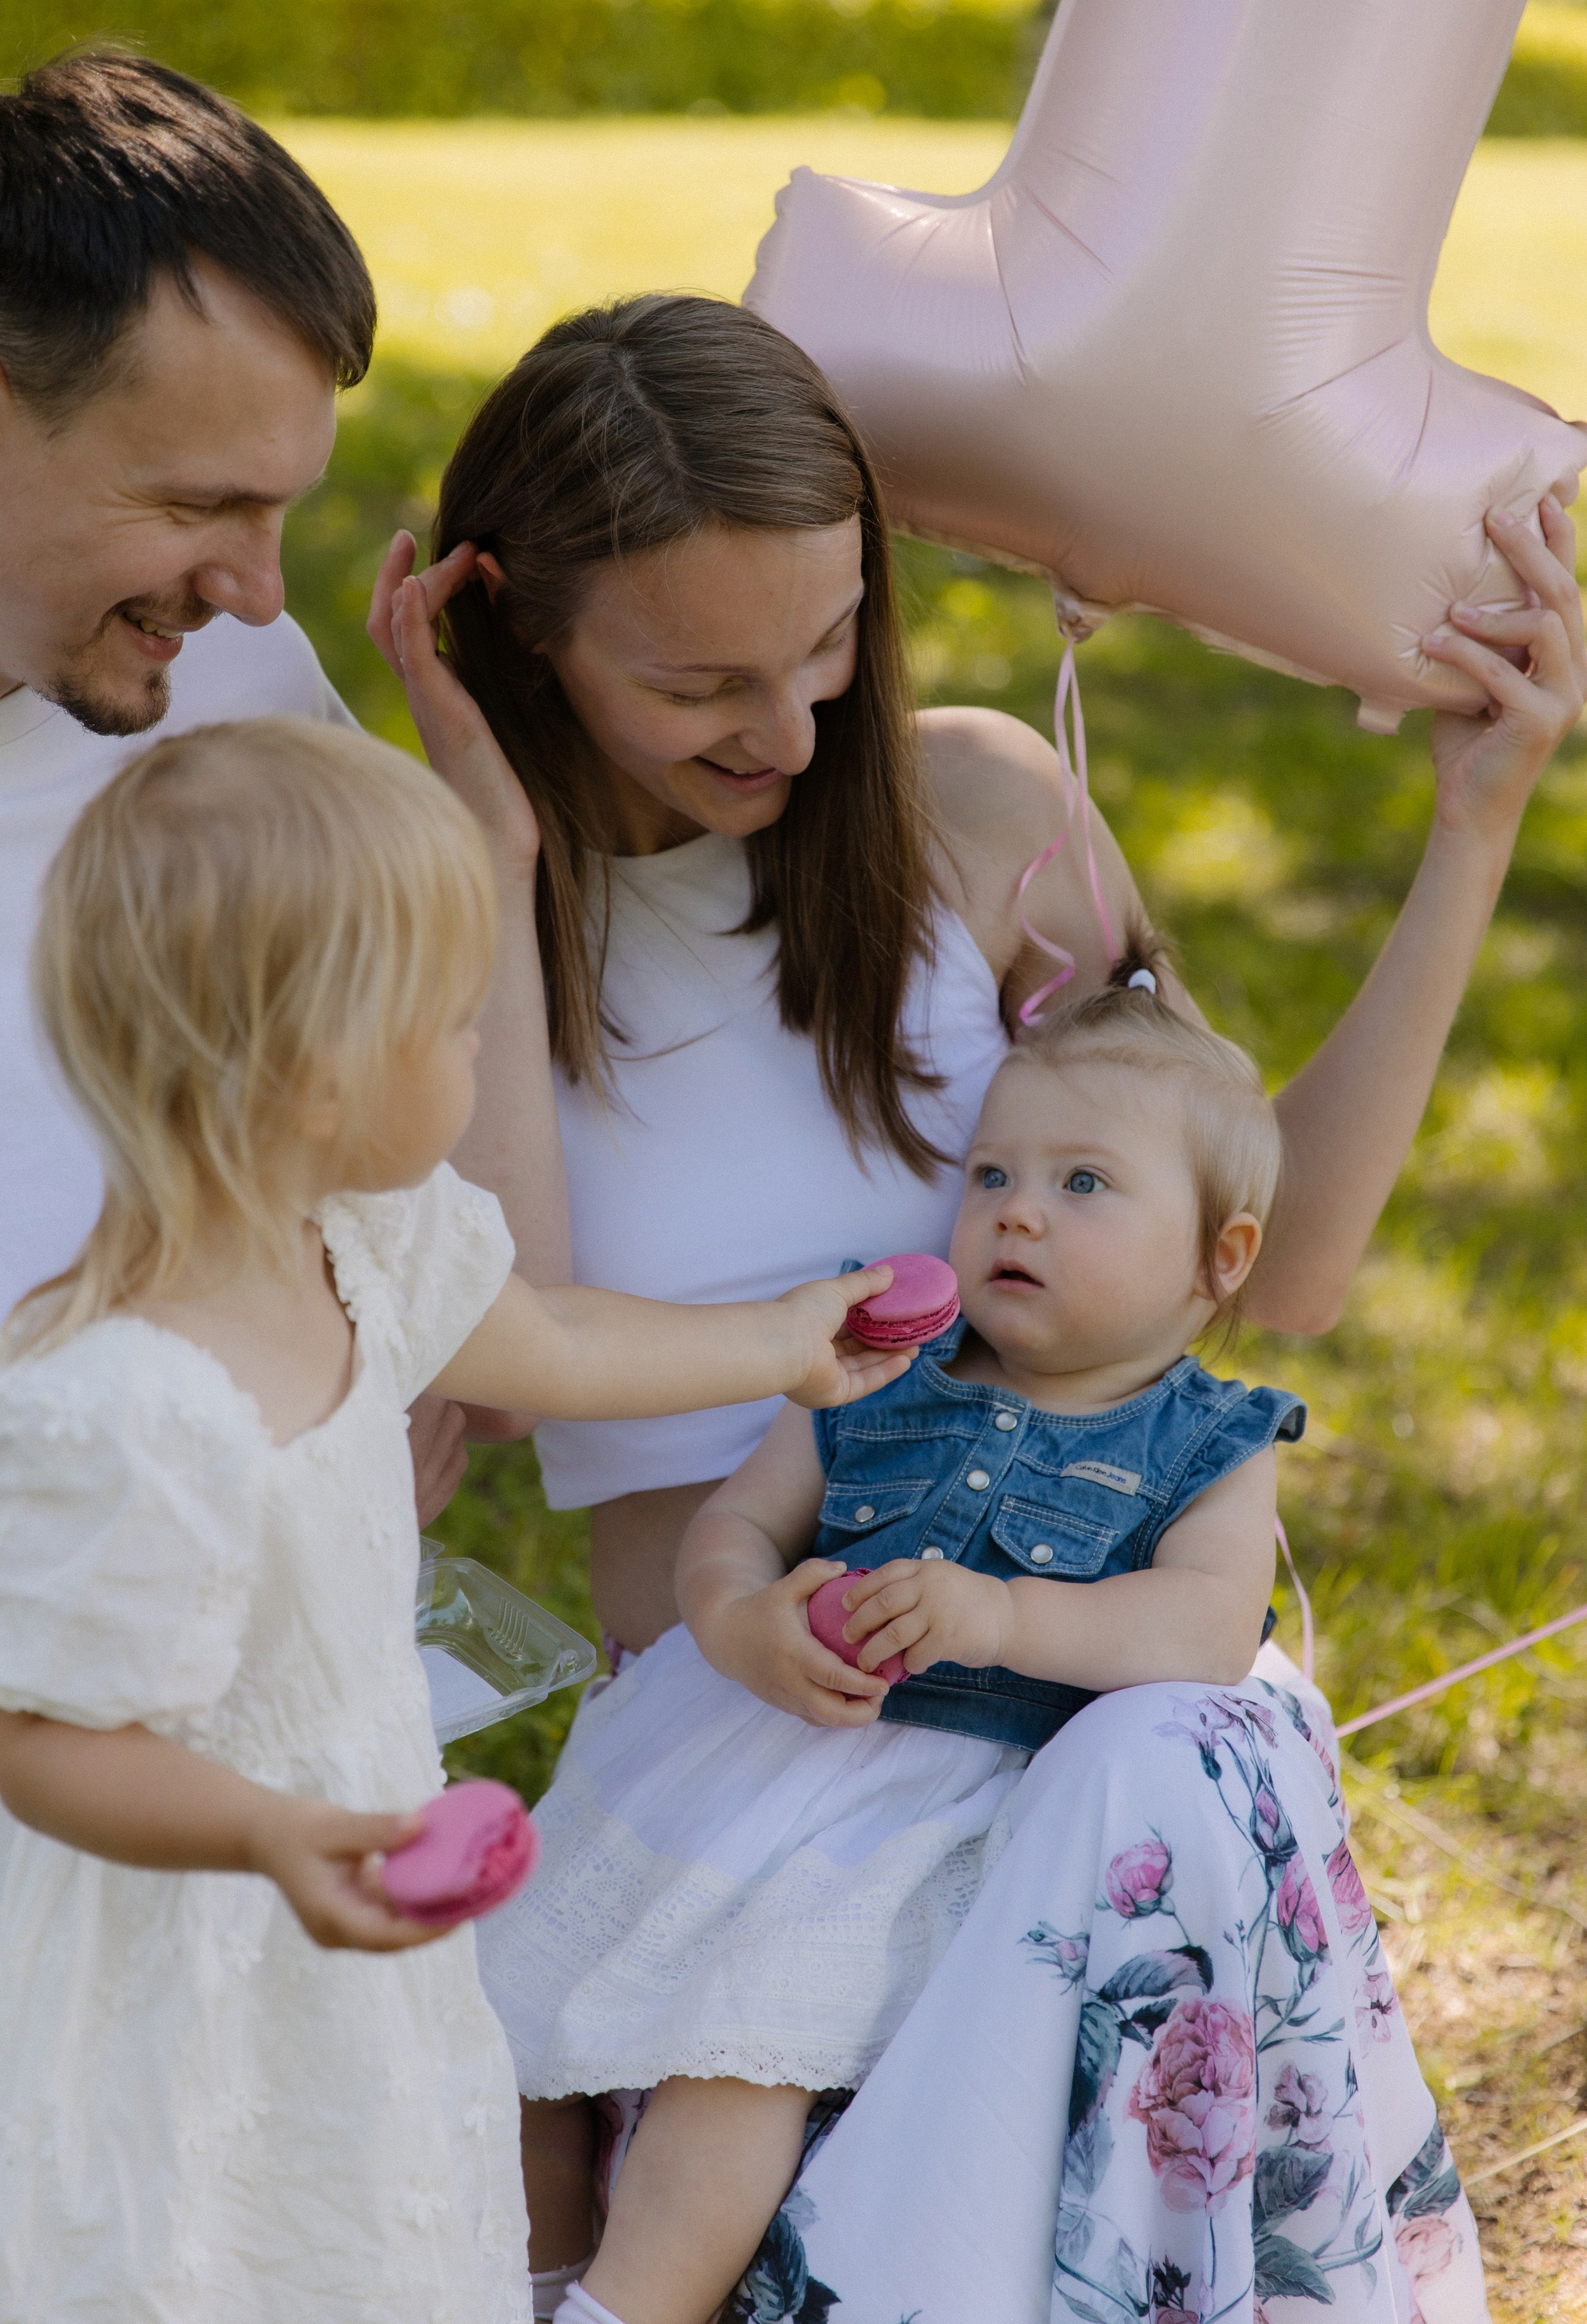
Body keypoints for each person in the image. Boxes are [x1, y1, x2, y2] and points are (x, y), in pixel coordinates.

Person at [371, 293, 1584, 2317]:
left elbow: (1269, 1257)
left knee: (1148, 1789)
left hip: (1085, 1730)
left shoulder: (978, 817)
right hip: (753, 1770)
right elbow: (512, 1333)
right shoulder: (446, 911)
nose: (791, 727)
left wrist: (1475, 822)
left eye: (832, 642)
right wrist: (491, 861)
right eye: (700, 681)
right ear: (521, 638)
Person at [0, 717, 908, 2324]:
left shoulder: (362, 1241)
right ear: (324, 1075)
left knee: (365, 2233)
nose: (484, 1059)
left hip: (359, 1878)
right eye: (456, 1026)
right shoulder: (119, 1403)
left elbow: (551, 1340)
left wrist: (779, 1341)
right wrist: (274, 1834)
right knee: (204, 2255)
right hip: (186, 1943)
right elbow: (46, 1744)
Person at [483, 970, 1308, 2324]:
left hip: (925, 1815)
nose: (1016, 1209)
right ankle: (512, 2274)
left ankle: (625, 2309)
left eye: (1084, 1184)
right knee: (512, 2017)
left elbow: (1207, 1627)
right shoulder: (878, 1369)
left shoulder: (1208, 1443)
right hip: (736, 1747)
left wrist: (1006, 1618)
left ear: (1219, 1257)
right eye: (991, 1172)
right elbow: (734, 1526)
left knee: (739, 2053)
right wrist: (740, 1621)